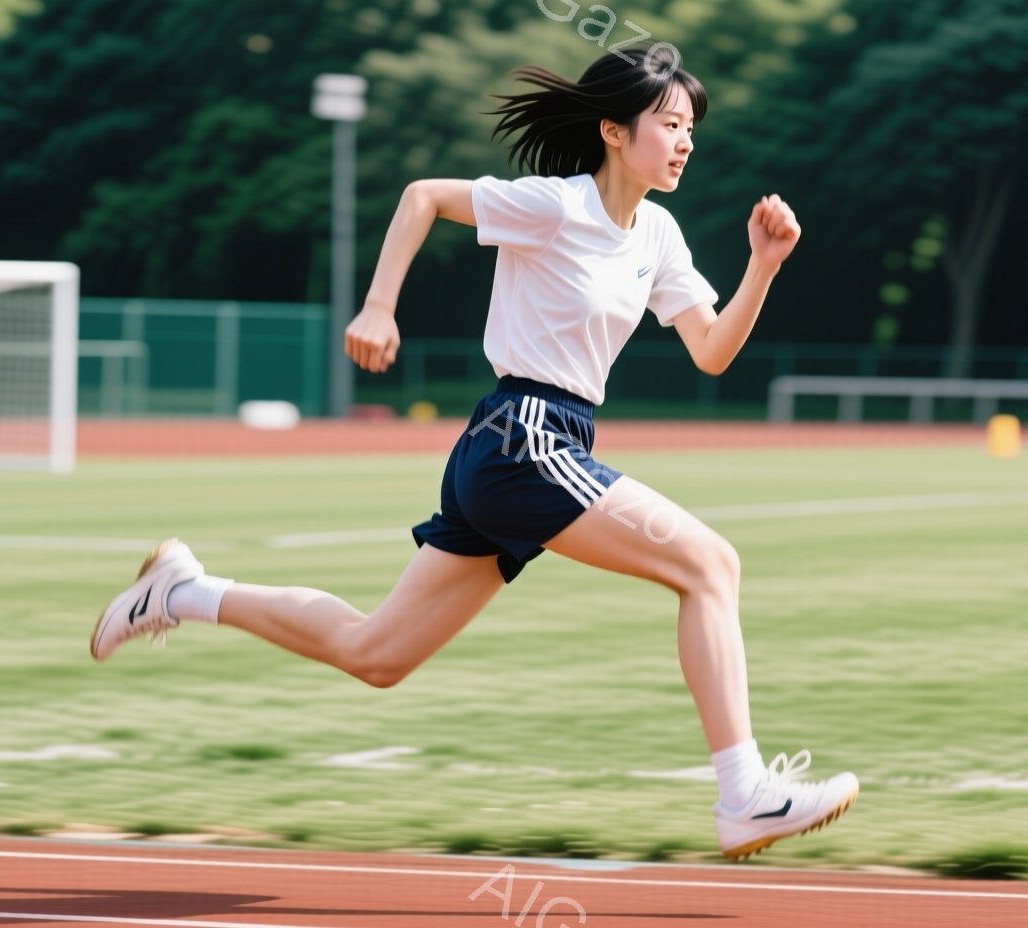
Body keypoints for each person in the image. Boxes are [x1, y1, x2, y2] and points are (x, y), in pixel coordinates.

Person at [91, 49, 858, 860]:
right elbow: (423, 197)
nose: (684, 142)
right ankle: (745, 794)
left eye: (690, 128)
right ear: (612, 130)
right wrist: (379, 308)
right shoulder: (555, 207)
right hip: (521, 437)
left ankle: (185, 591)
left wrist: (762, 268)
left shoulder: (657, 235)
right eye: (669, 124)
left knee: (374, 654)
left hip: (530, 444)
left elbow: (710, 350)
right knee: (710, 564)